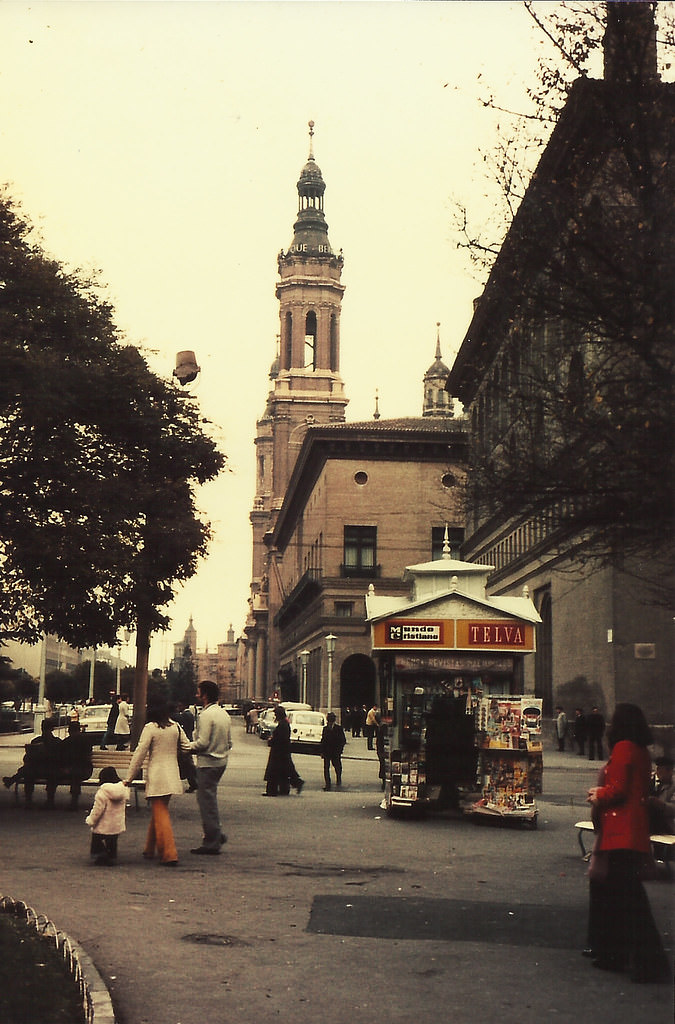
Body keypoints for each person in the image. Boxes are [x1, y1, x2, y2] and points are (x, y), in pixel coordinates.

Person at [585, 702, 669, 983]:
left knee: (627, 899)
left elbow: (618, 790)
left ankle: (643, 961)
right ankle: (623, 956)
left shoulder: (623, 748)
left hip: (620, 831)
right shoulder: (643, 751)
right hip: (634, 830)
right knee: (627, 897)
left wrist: (599, 793)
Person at [124, 702, 191, 866]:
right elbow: (187, 746)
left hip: (157, 775)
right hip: (172, 775)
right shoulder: (175, 727)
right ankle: (149, 848)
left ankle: (169, 852)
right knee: (159, 812)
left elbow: (140, 753)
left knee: (160, 814)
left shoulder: (150, 728)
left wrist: (129, 778)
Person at [187, 680, 232, 855]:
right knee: (210, 800)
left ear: (205, 695)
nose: (196, 695)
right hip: (221, 762)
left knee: (206, 803)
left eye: (198, 692)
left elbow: (202, 743)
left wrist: (186, 747)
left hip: (208, 763)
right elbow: (229, 742)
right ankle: (216, 834)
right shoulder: (223, 714)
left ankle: (212, 841)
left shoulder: (206, 715)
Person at [3, 718, 64, 808]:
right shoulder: (55, 741)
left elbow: (27, 758)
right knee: (28, 770)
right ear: (52, 729)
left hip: (47, 770)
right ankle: (46, 801)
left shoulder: (40, 741)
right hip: (45, 769)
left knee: (28, 771)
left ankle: (26, 797)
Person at [85, 766, 127, 865]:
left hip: (103, 824)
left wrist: (91, 820)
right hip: (116, 824)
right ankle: (112, 855)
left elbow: (98, 809)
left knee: (97, 839)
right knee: (112, 841)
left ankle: (100, 855)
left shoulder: (103, 792)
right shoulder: (122, 791)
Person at [264, 705, 304, 796]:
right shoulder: (284, 723)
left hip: (279, 752)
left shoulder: (283, 724)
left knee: (275, 771)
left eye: (275, 714)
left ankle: (272, 790)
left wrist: (271, 740)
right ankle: (285, 788)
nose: (274, 716)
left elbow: (280, 739)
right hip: (283, 751)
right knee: (284, 771)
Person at [60, 720, 94, 810]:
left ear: (69, 730)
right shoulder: (86, 740)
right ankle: (73, 801)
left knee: (74, 774)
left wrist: (65, 768)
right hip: (85, 770)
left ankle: (51, 800)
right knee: (75, 774)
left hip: (74, 770)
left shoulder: (67, 741)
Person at [649, 755, 675, 834]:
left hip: (665, 827)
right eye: (667, 770)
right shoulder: (647, 782)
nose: (670, 773)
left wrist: (663, 805)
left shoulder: (673, 786)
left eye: (671, 770)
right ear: (658, 770)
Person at [320, 712, 346, 790]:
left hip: (335, 752)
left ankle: (338, 780)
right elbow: (323, 740)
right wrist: (322, 751)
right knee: (326, 768)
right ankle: (328, 784)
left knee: (337, 767)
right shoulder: (325, 729)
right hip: (327, 752)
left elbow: (343, 740)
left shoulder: (338, 728)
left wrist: (340, 750)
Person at [375, 715, 388, 791]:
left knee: (383, 766)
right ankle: (384, 782)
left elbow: (379, 741)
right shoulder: (383, 727)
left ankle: (384, 781)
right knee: (383, 766)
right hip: (382, 750)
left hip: (381, 750)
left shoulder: (381, 727)